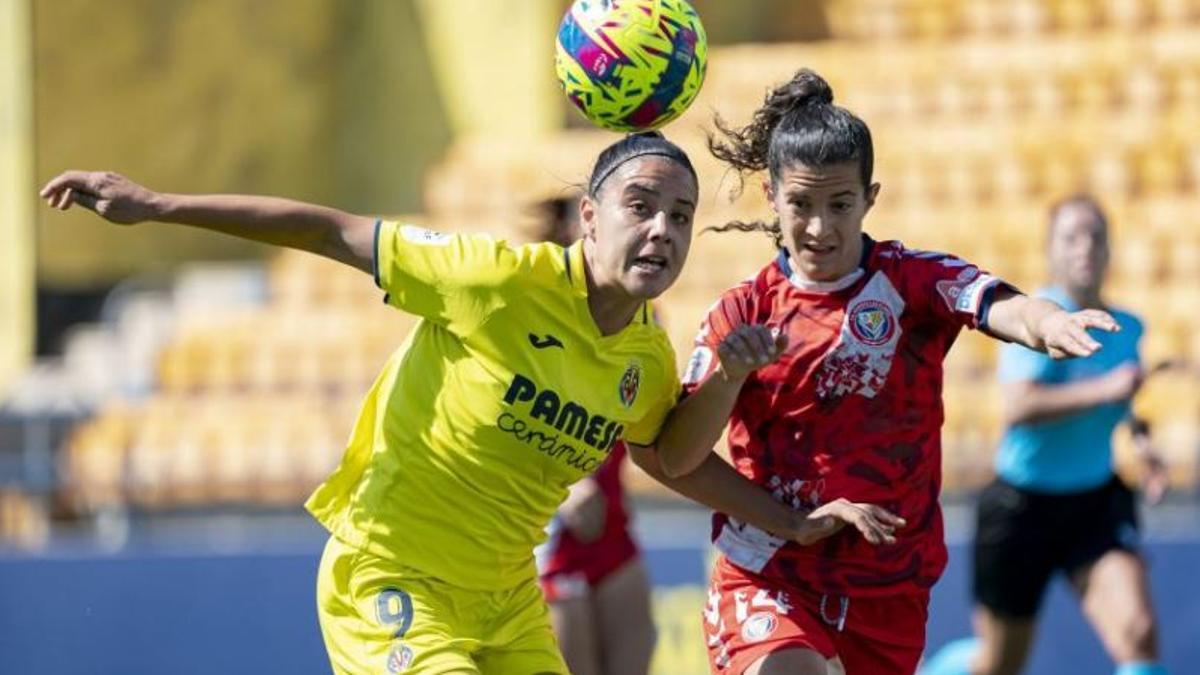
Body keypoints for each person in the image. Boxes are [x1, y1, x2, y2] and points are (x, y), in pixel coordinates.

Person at [42, 132, 847, 675]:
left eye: (680, 216)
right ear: (590, 218)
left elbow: (670, 456)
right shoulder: (495, 278)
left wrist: (787, 518)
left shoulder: (645, 354)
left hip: (506, 599)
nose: (662, 230)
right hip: (390, 576)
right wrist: (156, 204)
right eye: (641, 206)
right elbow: (331, 232)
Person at [652, 69, 1121, 675]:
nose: (820, 227)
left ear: (870, 197)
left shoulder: (910, 283)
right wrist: (728, 377)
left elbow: (996, 304)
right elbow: (676, 456)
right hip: (768, 574)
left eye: (840, 204)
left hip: (888, 585)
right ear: (771, 197)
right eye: (801, 204)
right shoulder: (742, 314)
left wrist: (1047, 321)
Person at [956, 195, 1167, 675]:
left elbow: (1126, 400)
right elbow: (1019, 406)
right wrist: (1104, 389)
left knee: (1138, 631)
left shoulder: (1130, 327)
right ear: (1051, 252)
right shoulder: (1040, 321)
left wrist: (1141, 445)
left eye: (1095, 236)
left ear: (1110, 250)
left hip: (1093, 503)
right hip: (1020, 507)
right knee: (1000, 664)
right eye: (1072, 237)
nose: (1085, 247)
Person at [528, 192, 657, 675]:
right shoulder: (535, 316)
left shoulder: (642, 318)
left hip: (613, 528)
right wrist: (560, 490)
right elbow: (504, 418)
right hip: (554, 530)